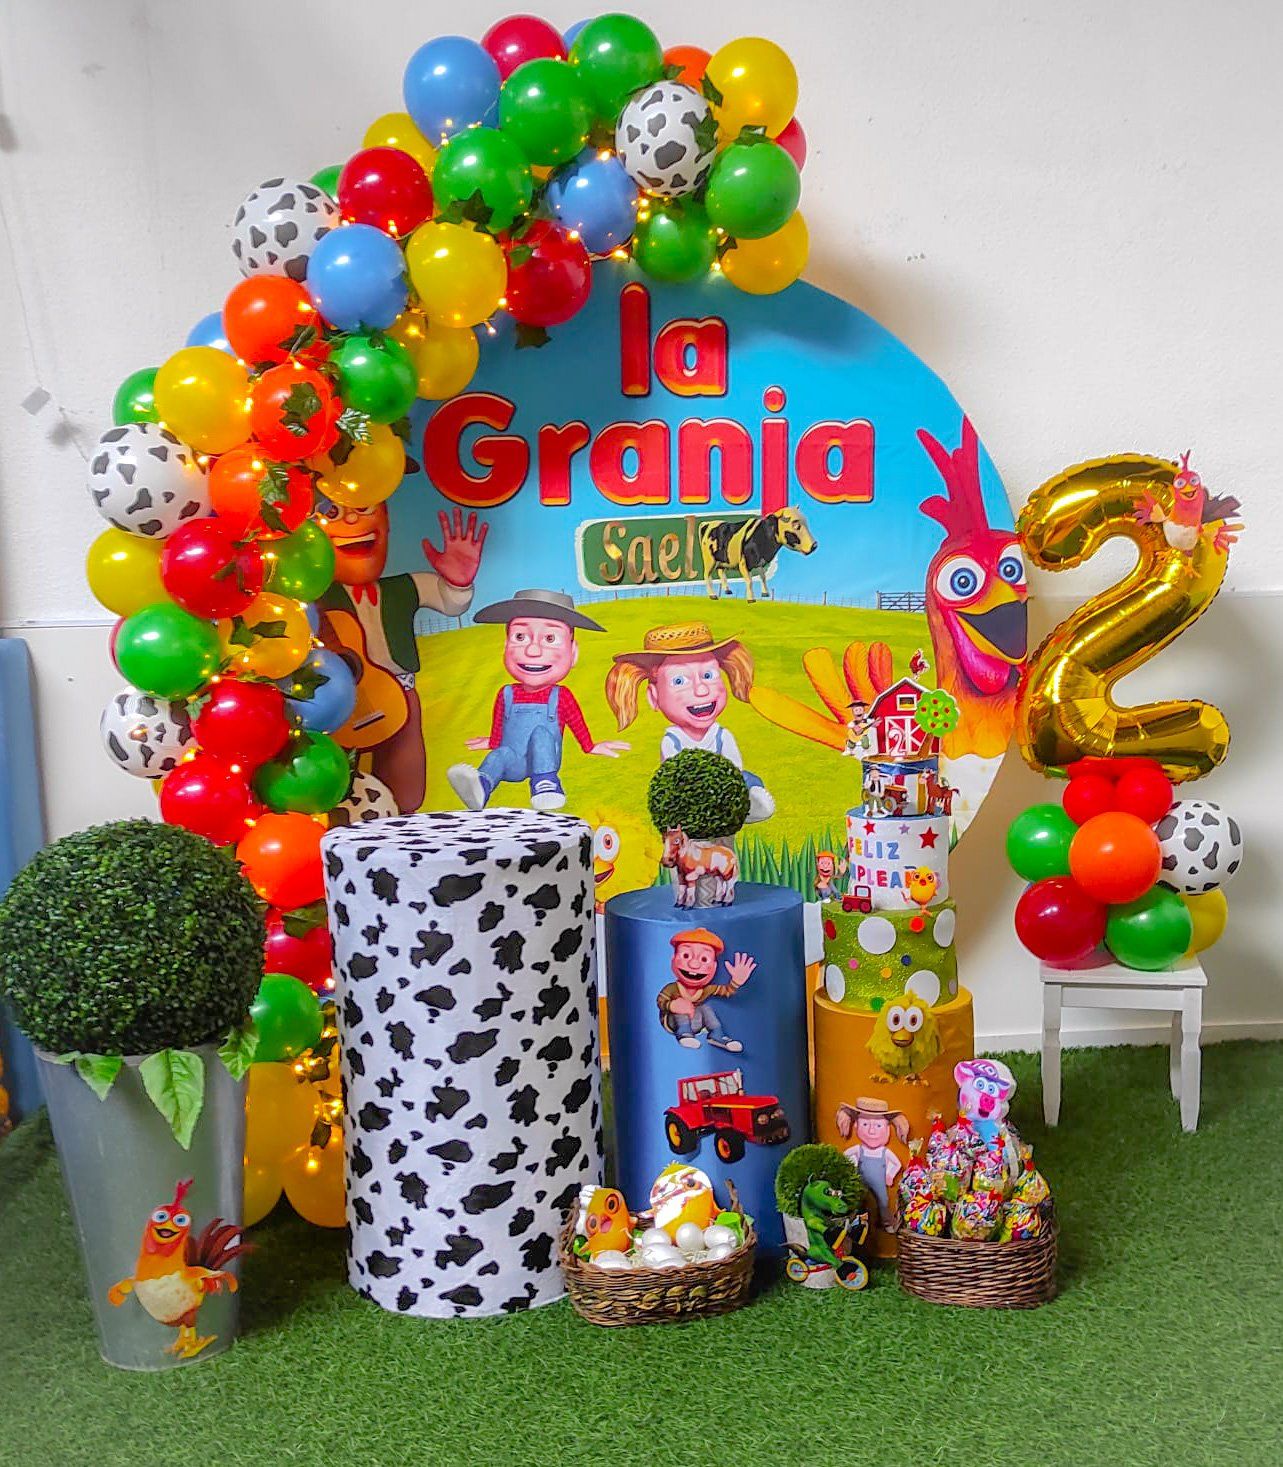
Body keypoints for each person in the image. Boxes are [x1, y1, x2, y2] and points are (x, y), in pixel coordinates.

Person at [316, 500, 487, 813]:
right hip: (342, 706)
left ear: (386, 518)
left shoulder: (404, 587)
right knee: (343, 794)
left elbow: (450, 602)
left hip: (402, 697)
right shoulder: (316, 599)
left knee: (406, 792)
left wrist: (459, 582)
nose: (352, 519)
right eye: (332, 512)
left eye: (364, 508)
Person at [447, 589, 628, 812]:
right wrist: (493, 743)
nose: (532, 650)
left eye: (550, 638)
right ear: (505, 646)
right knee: (499, 755)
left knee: (541, 735)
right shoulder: (506, 693)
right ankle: (481, 786)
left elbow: (576, 722)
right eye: (520, 637)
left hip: (545, 760)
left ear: (573, 653)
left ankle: (545, 784)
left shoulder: (560, 696)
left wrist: (590, 746)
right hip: (513, 760)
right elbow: (499, 723)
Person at [604, 621, 774, 822]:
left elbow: (734, 765)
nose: (701, 690)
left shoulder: (721, 735)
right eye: (679, 681)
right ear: (654, 697)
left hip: (724, 784)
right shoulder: (672, 741)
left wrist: (723, 782)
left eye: (709, 675)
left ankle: (746, 805)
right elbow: (675, 773)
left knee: (750, 780)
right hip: (691, 790)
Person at [655, 928, 756, 1052]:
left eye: (704, 959)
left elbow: (727, 991)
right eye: (686, 955)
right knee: (682, 1007)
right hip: (673, 1022)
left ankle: (716, 1035)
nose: (694, 965)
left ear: (714, 966)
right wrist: (672, 1005)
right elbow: (661, 1001)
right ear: (673, 959)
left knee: (705, 1008)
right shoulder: (672, 988)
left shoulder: (706, 990)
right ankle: (684, 1034)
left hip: (696, 1022)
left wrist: (736, 982)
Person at [835, 1096, 910, 1232]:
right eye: (865, 1124)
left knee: (883, 1202)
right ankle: (857, 1224)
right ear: (856, 1126)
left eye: (878, 1125)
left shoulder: (884, 1152)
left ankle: (886, 1222)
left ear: (887, 1129)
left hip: (879, 1184)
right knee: (858, 1201)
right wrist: (850, 1168)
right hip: (860, 1182)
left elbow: (896, 1164)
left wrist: (889, 1175)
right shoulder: (859, 1150)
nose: (871, 1131)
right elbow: (844, 1157)